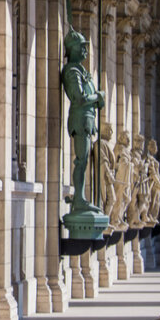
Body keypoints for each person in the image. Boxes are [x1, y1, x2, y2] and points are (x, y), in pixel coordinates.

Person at [61, 27, 105, 214]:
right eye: (82, 47)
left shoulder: (79, 69)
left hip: (86, 120)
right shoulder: (72, 71)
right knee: (81, 160)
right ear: (73, 49)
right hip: (80, 120)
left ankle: (81, 198)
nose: (86, 51)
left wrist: (97, 99)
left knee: (84, 160)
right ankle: (79, 199)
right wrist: (98, 97)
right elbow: (79, 98)